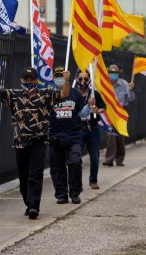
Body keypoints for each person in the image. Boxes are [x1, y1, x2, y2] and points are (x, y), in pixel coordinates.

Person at [0, 66, 70, 219]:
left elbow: (64, 93)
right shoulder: (13, 95)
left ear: (37, 80)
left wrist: (66, 80)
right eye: (26, 79)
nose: (29, 82)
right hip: (20, 142)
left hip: (39, 140)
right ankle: (28, 202)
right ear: (21, 80)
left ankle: (34, 206)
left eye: (32, 79)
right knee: (23, 176)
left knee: (35, 175)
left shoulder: (46, 95)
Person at [48, 67, 93, 204]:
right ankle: (61, 194)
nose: (60, 78)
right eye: (57, 76)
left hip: (73, 135)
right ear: (53, 78)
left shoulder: (75, 93)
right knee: (57, 167)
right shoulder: (48, 95)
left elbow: (82, 114)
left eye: (62, 75)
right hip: (55, 136)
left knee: (75, 163)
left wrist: (89, 106)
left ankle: (75, 192)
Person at [76, 70, 106, 189]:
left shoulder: (94, 94)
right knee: (76, 158)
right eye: (80, 79)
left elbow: (104, 107)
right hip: (78, 129)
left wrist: (98, 111)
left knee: (94, 157)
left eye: (85, 79)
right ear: (77, 80)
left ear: (89, 80)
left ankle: (93, 180)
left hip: (92, 129)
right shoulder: (74, 94)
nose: (83, 81)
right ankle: (76, 182)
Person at [103, 64, 135, 167]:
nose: (113, 74)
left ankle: (119, 159)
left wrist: (130, 90)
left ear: (118, 74)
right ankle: (109, 160)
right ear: (108, 73)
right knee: (110, 135)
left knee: (120, 137)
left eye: (115, 73)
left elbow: (130, 99)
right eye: (111, 72)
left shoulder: (124, 84)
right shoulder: (105, 84)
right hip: (109, 112)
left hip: (121, 112)